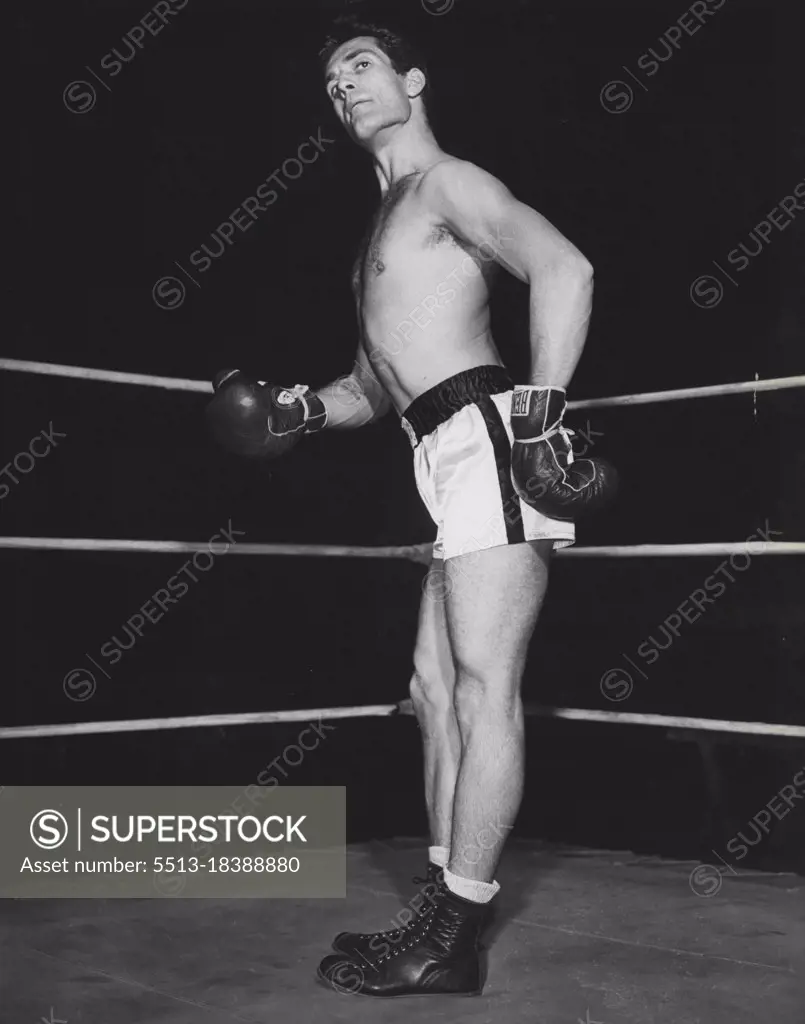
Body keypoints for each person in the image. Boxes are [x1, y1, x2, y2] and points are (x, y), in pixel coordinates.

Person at [206, 15, 615, 999]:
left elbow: (565, 268)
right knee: (433, 695)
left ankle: (458, 931)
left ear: (412, 80)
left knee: (481, 688)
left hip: (488, 438)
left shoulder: (447, 185)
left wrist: (539, 413)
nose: (344, 86)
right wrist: (299, 409)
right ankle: (438, 909)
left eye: (363, 66)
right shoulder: (381, 228)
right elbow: (371, 387)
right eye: (333, 78)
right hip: (434, 449)